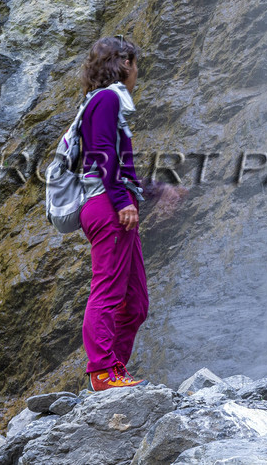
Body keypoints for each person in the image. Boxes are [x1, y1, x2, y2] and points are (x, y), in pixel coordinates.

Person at [77, 36, 154, 392]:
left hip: (115, 204)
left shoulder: (103, 102)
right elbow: (104, 153)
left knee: (135, 302)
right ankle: (103, 372)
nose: (137, 73)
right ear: (124, 64)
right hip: (108, 207)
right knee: (107, 289)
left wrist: (149, 192)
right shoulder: (107, 98)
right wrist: (122, 200)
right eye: (136, 65)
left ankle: (115, 370)